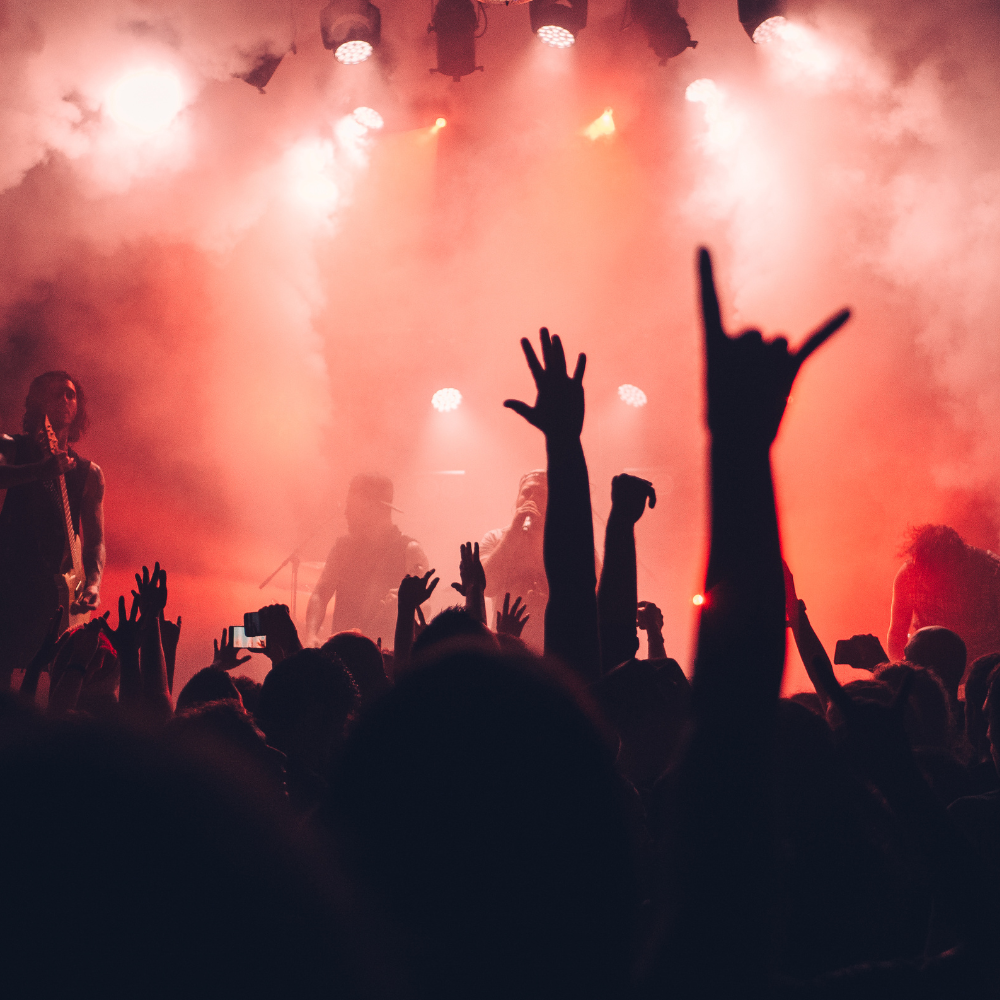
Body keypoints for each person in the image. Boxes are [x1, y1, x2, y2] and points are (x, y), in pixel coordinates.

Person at [0, 372, 105, 685]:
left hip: (56, 593)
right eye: (55, 393)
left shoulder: (90, 473)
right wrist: (38, 471)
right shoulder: (10, 446)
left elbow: (95, 540)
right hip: (7, 583)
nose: (64, 400)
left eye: (70, 394)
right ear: (36, 403)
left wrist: (94, 583)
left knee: (47, 678)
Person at [305, 474, 427, 646]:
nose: (346, 513)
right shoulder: (343, 547)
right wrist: (311, 635)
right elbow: (320, 593)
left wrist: (406, 604)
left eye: (351, 506)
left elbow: (426, 608)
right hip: (342, 655)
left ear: (373, 508)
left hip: (389, 657)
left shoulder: (409, 550)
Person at [887, 524, 1000, 665]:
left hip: (984, 668)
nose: (922, 578)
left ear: (954, 565)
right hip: (930, 666)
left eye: (931, 572)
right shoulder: (908, 574)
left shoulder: (992, 572)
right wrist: (900, 672)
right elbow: (897, 634)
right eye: (921, 568)